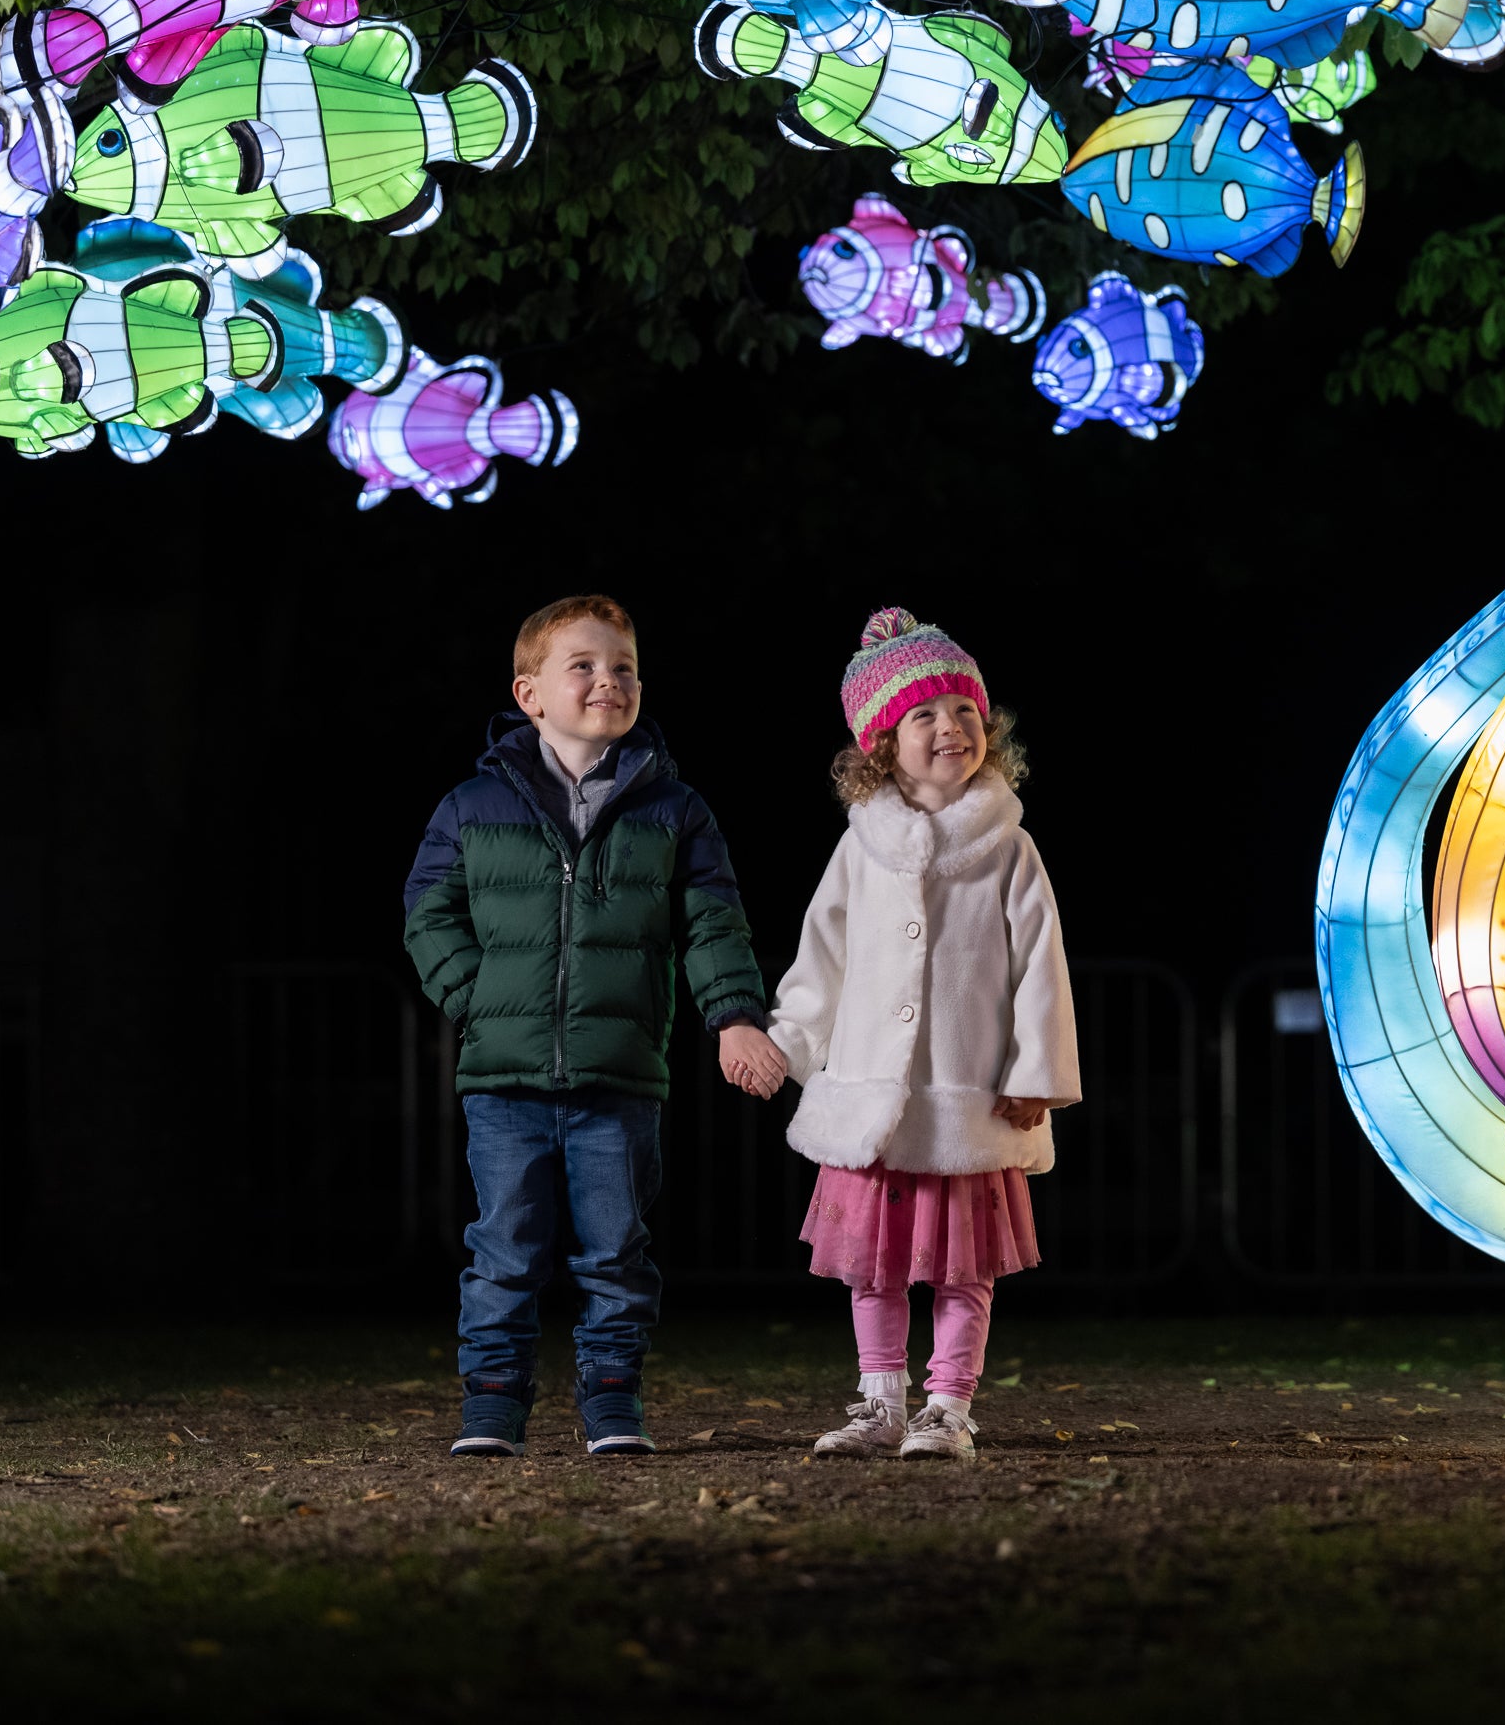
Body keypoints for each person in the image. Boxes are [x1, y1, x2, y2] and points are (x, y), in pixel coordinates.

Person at [402, 594, 788, 1460]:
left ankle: (613, 1402)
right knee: (504, 1247)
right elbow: (428, 913)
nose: (607, 679)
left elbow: (713, 923)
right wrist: (481, 997)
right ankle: (493, 1405)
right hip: (503, 1082)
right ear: (530, 691)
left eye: (622, 667)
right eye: (583, 665)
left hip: (619, 1078)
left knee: (616, 1252)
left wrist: (732, 1017)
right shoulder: (472, 805)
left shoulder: (676, 810)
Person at [770, 607, 1079, 1464]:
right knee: (873, 1263)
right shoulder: (858, 849)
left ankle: (946, 1405)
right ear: (880, 744)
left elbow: (1040, 971)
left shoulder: (1011, 851)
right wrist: (788, 1043)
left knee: (961, 1264)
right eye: (923, 716)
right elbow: (821, 957)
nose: (950, 729)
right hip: (873, 1093)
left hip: (969, 1094)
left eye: (965, 713)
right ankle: (878, 1400)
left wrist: (1036, 1072)